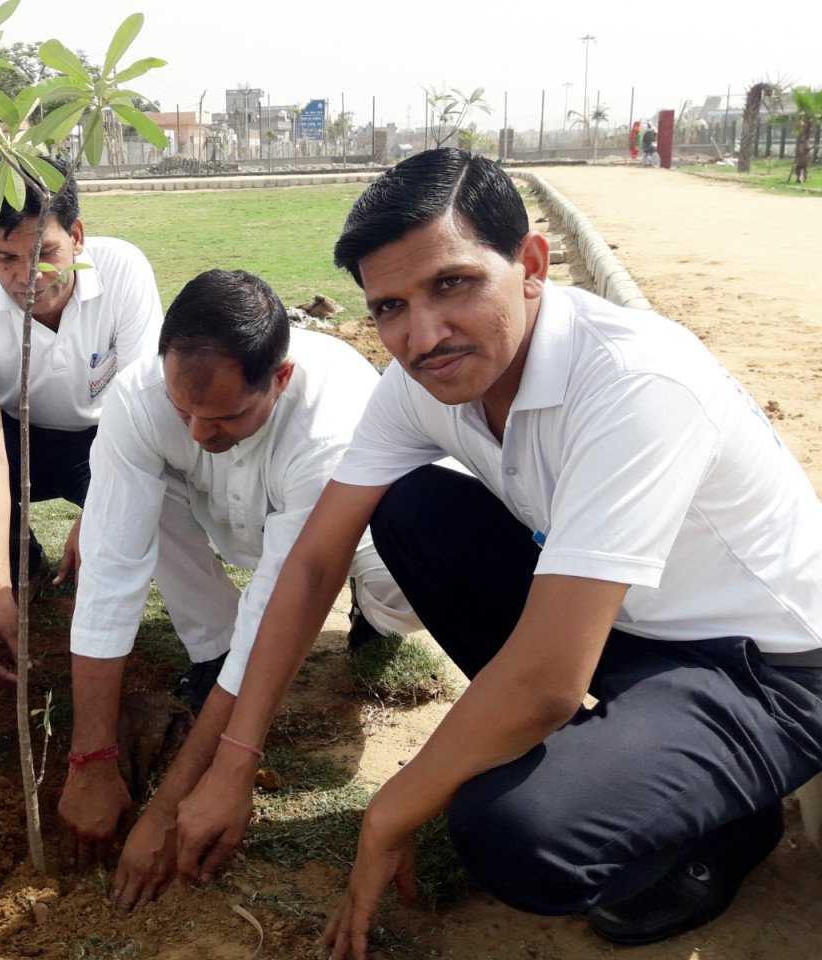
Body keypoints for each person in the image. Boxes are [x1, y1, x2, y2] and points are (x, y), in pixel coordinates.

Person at [172, 148, 822, 955]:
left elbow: (549, 679)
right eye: (390, 307)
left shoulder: (635, 383)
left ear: (533, 266)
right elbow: (313, 561)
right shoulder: (421, 383)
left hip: (765, 669)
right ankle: (626, 758)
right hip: (627, 625)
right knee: (412, 510)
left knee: (517, 833)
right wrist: (234, 759)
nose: (423, 335)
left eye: (453, 284)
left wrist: (388, 815)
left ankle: (726, 829)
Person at [58, 269, 420, 911]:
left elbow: (276, 606)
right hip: (224, 512)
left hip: (352, 534)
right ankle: (211, 651)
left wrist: (167, 809)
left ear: (279, 379)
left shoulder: (327, 425)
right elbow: (111, 570)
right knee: (136, 505)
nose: (199, 433)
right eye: (184, 411)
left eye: (224, 415)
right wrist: (92, 757)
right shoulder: (138, 398)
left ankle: (375, 616)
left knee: (400, 584)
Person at [0, 159, 163, 686]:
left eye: (44, 254)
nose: (24, 277)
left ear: (76, 237)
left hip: (107, 439)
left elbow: (143, 413)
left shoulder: (123, 271)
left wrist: (98, 515)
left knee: (156, 486)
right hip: (16, 439)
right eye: (5, 258)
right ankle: (22, 566)